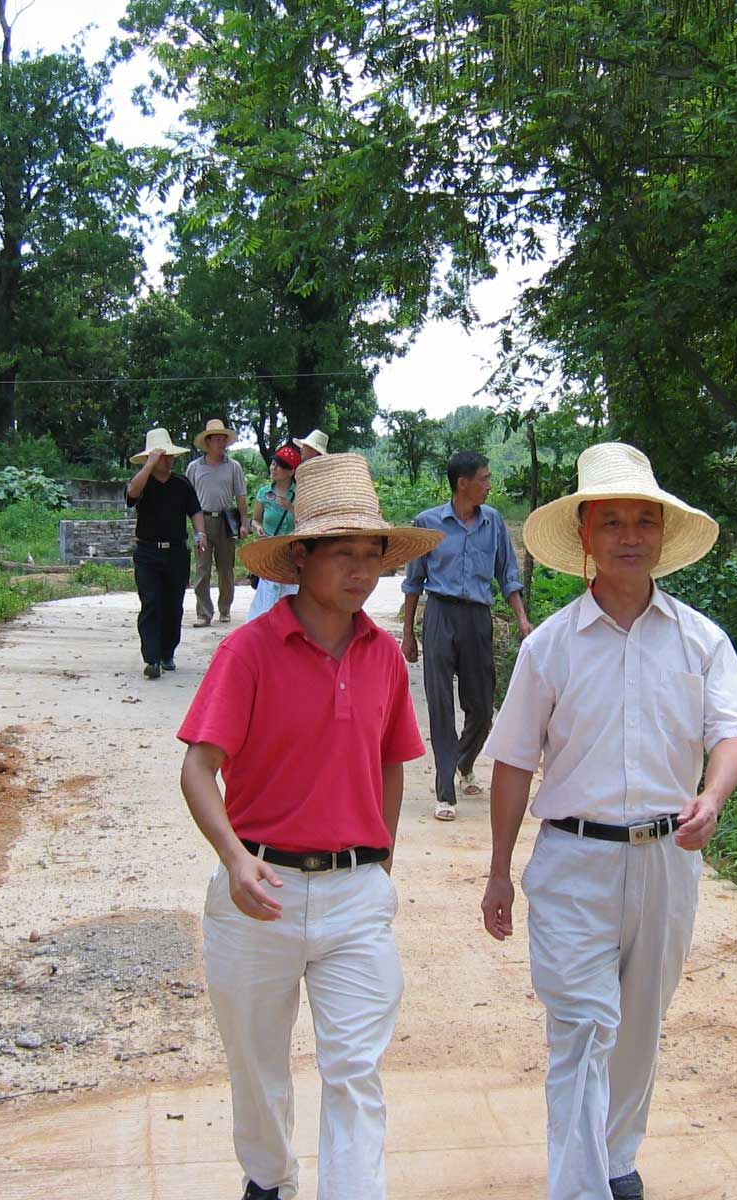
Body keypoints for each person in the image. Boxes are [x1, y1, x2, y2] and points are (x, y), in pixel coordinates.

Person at [478, 442, 737, 1200]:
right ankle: (582, 1188)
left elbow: (730, 734)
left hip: (669, 860)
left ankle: (615, 1160)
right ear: (585, 535)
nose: (630, 536)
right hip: (574, 863)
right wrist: (499, 872)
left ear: (663, 535)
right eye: (612, 522)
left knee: (639, 1023)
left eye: (644, 521)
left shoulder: (700, 640)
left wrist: (712, 797)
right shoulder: (549, 647)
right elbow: (513, 762)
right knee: (583, 1025)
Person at [177, 453, 444, 1200]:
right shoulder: (248, 652)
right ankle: (269, 1178)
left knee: (356, 1070)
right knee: (256, 1064)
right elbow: (198, 769)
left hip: (356, 895)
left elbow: (391, 761)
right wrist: (235, 859)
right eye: (342, 553)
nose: (361, 571)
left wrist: (380, 860)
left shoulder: (384, 656)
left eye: (373, 554)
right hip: (257, 892)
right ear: (301, 557)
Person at [400, 450, 532, 821]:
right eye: (484, 478)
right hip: (440, 616)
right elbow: (413, 583)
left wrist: (522, 620)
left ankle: (463, 762)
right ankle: (445, 790)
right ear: (463, 483)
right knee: (440, 705)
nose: (489, 485)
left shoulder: (493, 522)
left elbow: (508, 574)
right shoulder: (428, 523)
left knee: (483, 707)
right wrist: (409, 634)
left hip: (477, 618)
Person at [126, 427, 206, 680]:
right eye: (163, 456)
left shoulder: (181, 483)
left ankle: (167, 652)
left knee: (173, 605)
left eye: (170, 456)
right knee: (151, 603)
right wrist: (148, 465)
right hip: (147, 552)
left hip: (176, 553)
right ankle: (151, 659)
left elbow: (195, 511)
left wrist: (200, 534)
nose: (168, 460)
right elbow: (131, 493)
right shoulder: (143, 481)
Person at [187, 418, 251, 627]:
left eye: (224, 439)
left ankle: (225, 609)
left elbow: (241, 495)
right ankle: (204, 613)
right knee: (202, 569)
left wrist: (244, 522)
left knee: (226, 569)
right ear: (208, 442)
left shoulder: (233, 467)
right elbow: (187, 497)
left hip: (225, 521)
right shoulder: (194, 467)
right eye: (217, 439)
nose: (222, 443)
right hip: (202, 521)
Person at [244, 444, 303, 623]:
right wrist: (258, 528)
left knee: (291, 594)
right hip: (270, 552)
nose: (273, 468)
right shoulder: (264, 493)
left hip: (292, 553)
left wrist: (291, 508)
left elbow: (308, 521)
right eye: (273, 464)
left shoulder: (300, 493)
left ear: (291, 471)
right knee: (267, 596)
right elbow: (255, 520)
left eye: (279, 465)